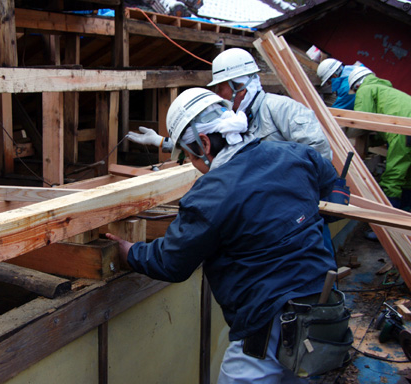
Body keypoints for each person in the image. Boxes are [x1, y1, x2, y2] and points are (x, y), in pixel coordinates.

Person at [109, 87, 351, 383]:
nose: (195, 167)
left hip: (267, 323)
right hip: (322, 305)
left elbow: (172, 262)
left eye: (189, 157)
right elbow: (333, 180)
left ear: (205, 144)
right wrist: (333, 203)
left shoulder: (211, 195)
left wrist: (130, 251)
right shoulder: (293, 154)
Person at [128, 48, 336, 256]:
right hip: (257, 221)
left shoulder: (282, 109)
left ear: (240, 85)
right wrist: (164, 142)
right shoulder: (232, 117)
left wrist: (278, 190)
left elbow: (319, 158)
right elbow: (210, 148)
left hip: (297, 217)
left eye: (221, 88)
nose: (218, 95)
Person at [349, 66, 411, 217]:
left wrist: (348, 135)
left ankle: (388, 226)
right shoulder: (387, 91)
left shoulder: (366, 89)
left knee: (393, 176)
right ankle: (405, 218)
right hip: (406, 129)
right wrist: (372, 141)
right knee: (408, 176)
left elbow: (361, 119)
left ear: (357, 85)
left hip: (403, 131)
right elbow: (382, 131)